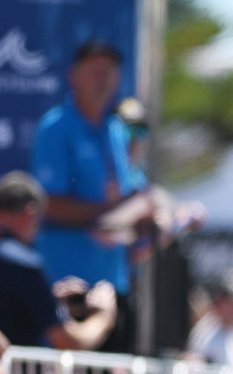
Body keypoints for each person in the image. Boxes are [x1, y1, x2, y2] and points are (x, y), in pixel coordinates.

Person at [31, 40, 155, 355]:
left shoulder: (116, 130)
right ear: (73, 76)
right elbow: (48, 204)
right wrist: (111, 215)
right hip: (69, 289)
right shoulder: (56, 127)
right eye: (93, 70)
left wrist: (151, 217)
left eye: (108, 71)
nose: (101, 78)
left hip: (113, 286)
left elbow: (132, 193)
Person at [0, 171, 117, 354]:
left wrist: (48, 300)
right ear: (30, 214)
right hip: (15, 372)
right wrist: (102, 316)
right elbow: (67, 341)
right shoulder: (23, 264)